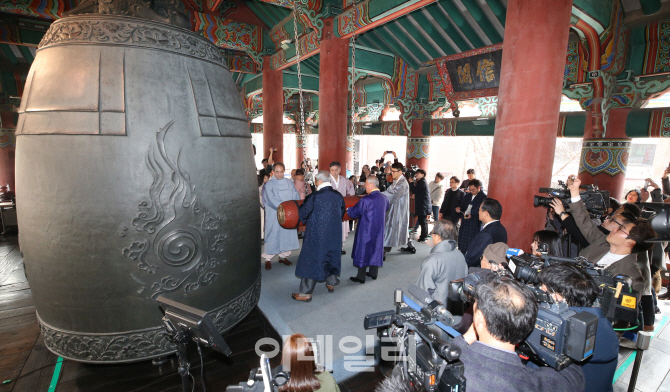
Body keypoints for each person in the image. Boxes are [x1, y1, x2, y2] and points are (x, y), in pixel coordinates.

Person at [453, 274, 585, 392]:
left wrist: (464, 339)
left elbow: (446, 358)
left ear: (480, 319)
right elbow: (573, 377)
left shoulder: (454, 369)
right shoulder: (538, 383)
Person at [565, 176, 656, 299]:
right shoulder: (602, 243)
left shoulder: (631, 278)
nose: (614, 229)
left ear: (630, 242)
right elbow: (584, 222)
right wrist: (574, 191)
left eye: (620, 229)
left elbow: (619, 315)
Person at [538, 263, 618, 392]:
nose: (539, 292)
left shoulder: (568, 329)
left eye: (543, 289)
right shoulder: (599, 321)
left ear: (557, 297)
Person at [293, 171, 345, 301]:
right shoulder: (338, 196)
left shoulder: (314, 196)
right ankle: (331, 283)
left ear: (319, 181)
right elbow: (342, 212)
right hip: (334, 234)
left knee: (312, 260)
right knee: (331, 256)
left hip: (317, 235)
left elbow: (303, 213)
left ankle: (305, 293)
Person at [347, 176, 389, 283]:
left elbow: (355, 212)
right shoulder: (384, 198)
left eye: (365, 183)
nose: (364, 186)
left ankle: (361, 277)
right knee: (376, 248)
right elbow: (387, 208)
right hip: (379, 228)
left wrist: (348, 209)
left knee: (363, 250)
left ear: (371, 184)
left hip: (366, 229)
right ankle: (373, 273)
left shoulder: (366, 199)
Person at [416, 219, 467, 305]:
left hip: (438, 309)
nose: (431, 236)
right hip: (457, 306)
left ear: (438, 236)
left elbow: (423, 290)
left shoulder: (433, 260)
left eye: (432, 233)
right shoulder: (460, 254)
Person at [262, 162, 301, 270]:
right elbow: (270, 199)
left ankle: (283, 257)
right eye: (277, 172)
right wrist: (284, 208)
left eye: (281, 172)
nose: (279, 174)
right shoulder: (269, 184)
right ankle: (268, 259)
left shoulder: (289, 183)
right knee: (273, 235)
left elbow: (295, 195)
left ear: (284, 171)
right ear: (273, 172)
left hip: (288, 215)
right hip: (275, 215)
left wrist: (295, 206)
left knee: (286, 235)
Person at [463, 198, 507, 268]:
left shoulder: (486, 234)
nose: (478, 212)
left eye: (480, 210)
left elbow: (473, 258)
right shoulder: (501, 228)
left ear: (486, 213)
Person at [382, 162, 410, 253]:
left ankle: (384, 249)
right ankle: (386, 247)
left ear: (400, 171)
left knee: (393, 228)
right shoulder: (396, 182)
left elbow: (392, 194)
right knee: (390, 228)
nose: (392, 173)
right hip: (393, 209)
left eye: (394, 171)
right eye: (391, 171)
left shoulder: (403, 184)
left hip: (398, 210)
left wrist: (377, 195)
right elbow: (388, 191)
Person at [329, 162, 355, 255]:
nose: (334, 172)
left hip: (342, 207)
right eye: (332, 170)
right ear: (330, 170)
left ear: (340, 170)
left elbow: (351, 191)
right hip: (330, 209)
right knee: (331, 229)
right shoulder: (327, 180)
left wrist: (349, 200)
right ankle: (331, 247)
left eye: (336, 170)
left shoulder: (344, 180)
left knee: (342, 228)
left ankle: (341, 247)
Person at [456, 179, 487, 254]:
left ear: (479, 188)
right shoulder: (467, 196)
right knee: (462, 242)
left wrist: (472, 216)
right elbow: (463, 206)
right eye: (470, 189)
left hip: (475, 224)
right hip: (465, 222)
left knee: (472, 244)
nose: (471, 191)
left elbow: (483, 213)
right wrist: (460, 209)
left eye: (473, 189)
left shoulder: (483, 197)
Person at [409, 169, 431, 243]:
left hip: (423, 205)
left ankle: (423, 237)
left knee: (423, 221)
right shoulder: (421, 182)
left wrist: (411, 183)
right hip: (423, 205)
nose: (416, 174)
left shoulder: (422, 182)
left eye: (418, 173)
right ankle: (423, 236)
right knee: (422, 221)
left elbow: (414, 190)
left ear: (423, 175)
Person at [259, 172, 270, 240]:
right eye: (264, 178)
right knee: (262, 220)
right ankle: (262, 236)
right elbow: (260, 198)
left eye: (267, 178)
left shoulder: (271, 187)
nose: (266, 180)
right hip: (262, 206)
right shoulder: (260, 188)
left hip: (269, 206)